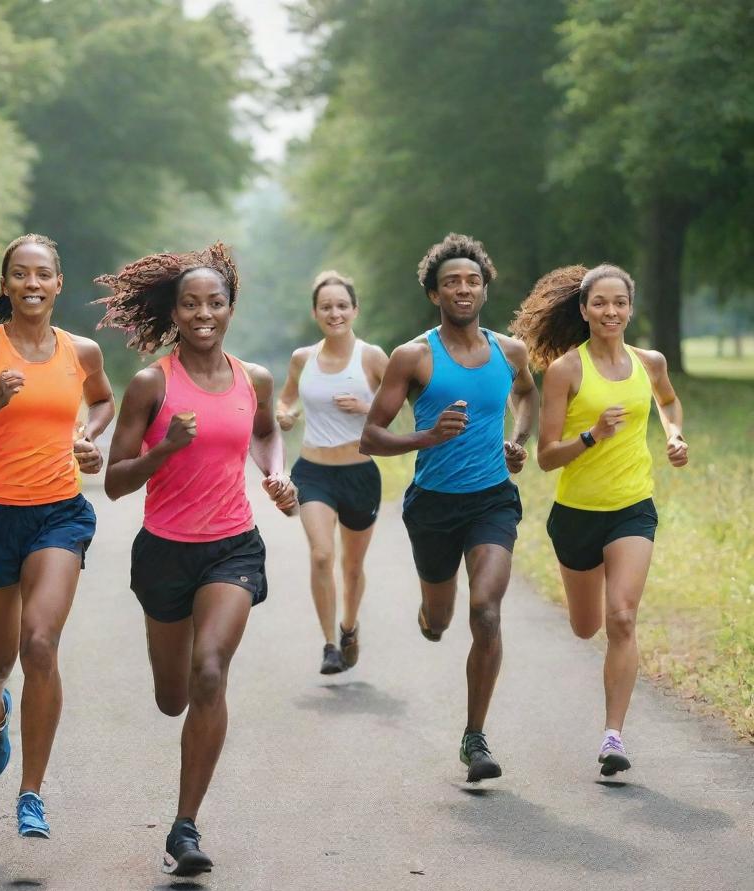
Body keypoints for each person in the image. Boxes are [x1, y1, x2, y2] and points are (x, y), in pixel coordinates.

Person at [98, 242, 297, 876]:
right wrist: (166, 450)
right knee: (172, 695)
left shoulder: (254, 379)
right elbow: (116, 481)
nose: (203, 313)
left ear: (231, 308)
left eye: (215, 302)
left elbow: (265, 432)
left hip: (233, 547)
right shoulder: (152, 385)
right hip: (164, 551)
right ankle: (176, 689)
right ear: (174, 312)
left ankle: (184, 826)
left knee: (210, 670)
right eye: (191, 304)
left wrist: (275, 472)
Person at [0, 233, 115, 838]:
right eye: (20, 274)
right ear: (6, 284)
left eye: (43, 275)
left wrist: (89, 436)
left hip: (59, 513)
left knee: (39, 645)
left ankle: (31, 793)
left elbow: (104, 401)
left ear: (60, 284)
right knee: (0, 658)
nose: (32, 284)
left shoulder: (81, 351)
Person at [360, 233, 537, 782]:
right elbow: (370, 437)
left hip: (492, 500)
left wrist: (519, 439)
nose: (463, 289)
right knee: (440, 620)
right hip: (432, 505)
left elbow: (527, 395)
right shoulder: (412, 356)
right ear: (435, 295)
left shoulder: (510, 351)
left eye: (472, 281)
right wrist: (427, 438)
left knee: (485, 610)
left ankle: (475, 737)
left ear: (485, 288)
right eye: (451, 283)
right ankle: (429, 613)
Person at [511, 264, 687, 776]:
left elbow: (669, 402)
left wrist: (673, 435)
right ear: (584, 310)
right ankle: (594, 640)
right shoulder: (566, 370)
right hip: (576, 516)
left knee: (623, 618)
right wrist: (591, 436)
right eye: (600, 303)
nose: (611, 312)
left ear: (631, 308)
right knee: (586, 627)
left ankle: (613, 736)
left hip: (632, 508)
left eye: (620, 302)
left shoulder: (649, 362)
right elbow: (546, 457)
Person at [276, 271, 388, 674]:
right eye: (327, 306)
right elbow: (285, 400)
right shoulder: (302, 359)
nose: (335, 312)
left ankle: (349, 626)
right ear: (315, 313)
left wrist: (366, 410)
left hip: (359, 474)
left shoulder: (372, 357)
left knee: (352, 567)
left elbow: (398, 410)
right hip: (314, 472)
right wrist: (285, 415)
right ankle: (329, 646)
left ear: (354, 309)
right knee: (322, 555)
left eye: (342, 305)